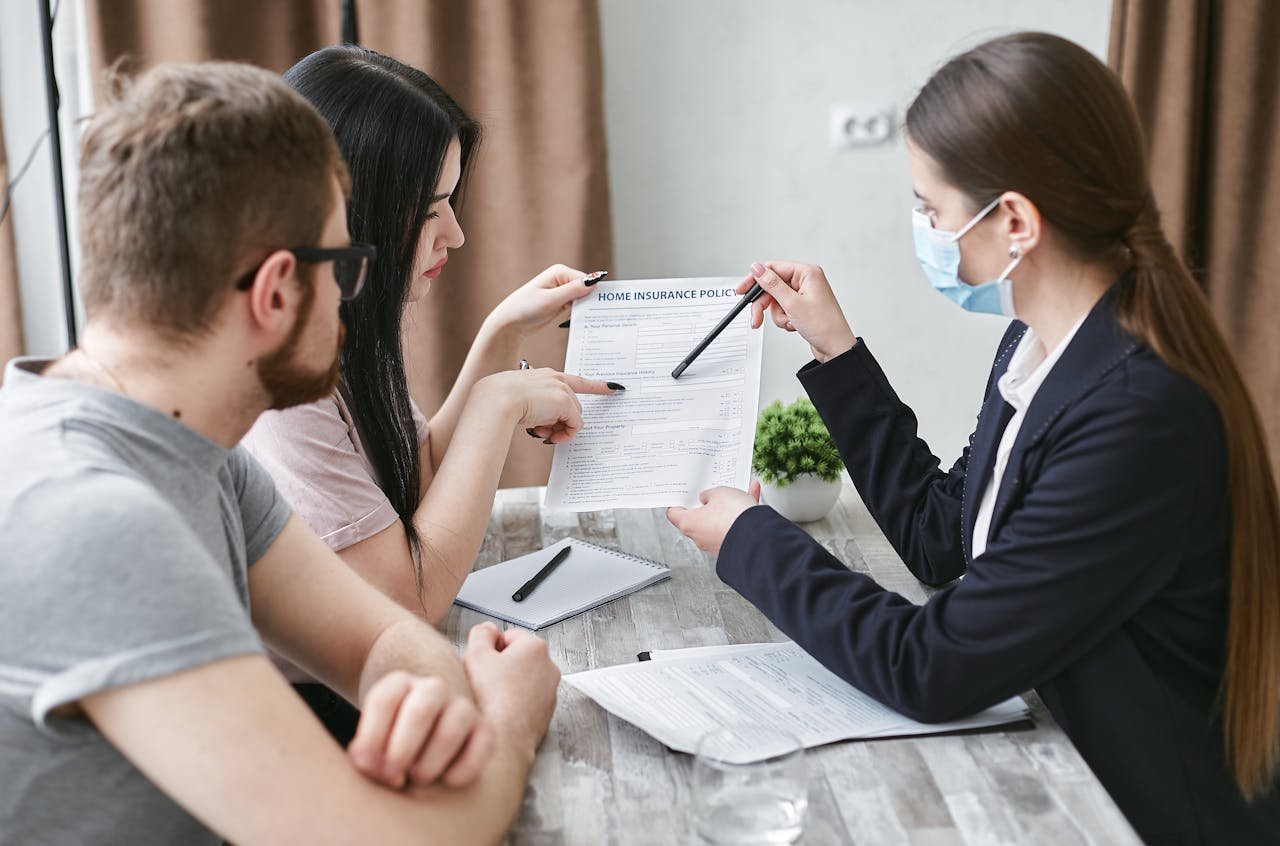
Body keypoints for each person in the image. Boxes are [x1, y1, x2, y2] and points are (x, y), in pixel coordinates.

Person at [668, 32, 1280, 843]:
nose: (922, 227)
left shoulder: (1138, 416)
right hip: (1056, 753)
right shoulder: (1040, 346)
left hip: (1141, 811)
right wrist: (835, 350)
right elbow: (943, 540)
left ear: (1016, 220)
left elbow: (933, 667)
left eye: (930, 209)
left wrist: (753, 540)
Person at [0, 62, 560, 845]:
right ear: (274, 293)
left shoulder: (198, 449)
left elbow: (385, 636)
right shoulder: (94, 522)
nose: (353, 295)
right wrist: (510, 714)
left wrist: (429, 696)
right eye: (346, 264)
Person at [240, 45, 618, 743]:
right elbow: (406, 600)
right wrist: (499, 404)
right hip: (314, 713)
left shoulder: (346, 328)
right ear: (356, 212)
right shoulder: (285, 384)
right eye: (430, 210)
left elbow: (408, 488)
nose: (457, 235)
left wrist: (500, 334)